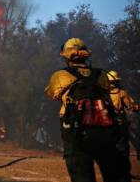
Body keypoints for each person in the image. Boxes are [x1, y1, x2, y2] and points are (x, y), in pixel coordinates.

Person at [45, 38, 130, 182]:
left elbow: (52, 94)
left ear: (66, 56)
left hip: (76, 135)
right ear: (85, 55)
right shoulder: (102, 75)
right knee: (115, 174)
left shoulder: (60, 75)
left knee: (81, 176)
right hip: (105, 133)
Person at [108, 70, 140, 179]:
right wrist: (137, 107)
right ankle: (124, 174)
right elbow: (131, 107)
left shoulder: (102, 94)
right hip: (120, 123)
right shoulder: (122, 93)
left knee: (110, 149)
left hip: (107, 125)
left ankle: (113, 173)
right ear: (116, 81)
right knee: (123, 149)